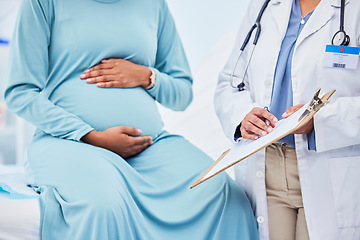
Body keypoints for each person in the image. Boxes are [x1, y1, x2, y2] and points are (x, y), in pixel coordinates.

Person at [4, 0, 259, 239]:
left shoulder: (152, 4)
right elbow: (21, 92)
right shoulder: (42, 2)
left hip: (149, 146)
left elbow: (182, 93)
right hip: (70, 143)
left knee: (226, 195)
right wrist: (90, 135)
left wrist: (145, 75)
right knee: (102, 205)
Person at [215, 0, 360, 239]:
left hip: (330, 171)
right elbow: (228, 84)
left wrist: (321, 119)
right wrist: (243, 116)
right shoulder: (265, 5)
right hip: (265, 167)